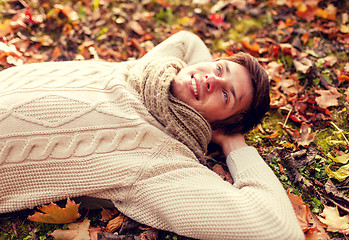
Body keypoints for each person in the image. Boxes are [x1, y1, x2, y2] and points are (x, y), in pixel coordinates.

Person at [0, 31, 304, 239]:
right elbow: (188, 40)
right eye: (219, 67)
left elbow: (278, 229)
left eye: (226, 95)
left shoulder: (163, 164)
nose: (210, 79)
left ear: (220, 126)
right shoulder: (148, 69)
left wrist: (235, 145)